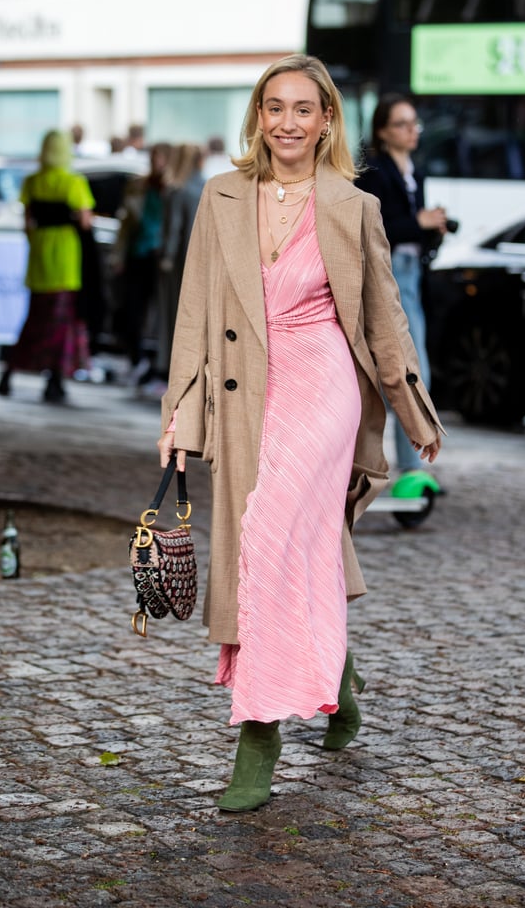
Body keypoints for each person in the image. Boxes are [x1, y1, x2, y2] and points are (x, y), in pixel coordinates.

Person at [157, 55, 443, 813]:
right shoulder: (220, 198)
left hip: (323, 387)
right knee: (296, 544)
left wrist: (413, 410)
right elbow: (192, 319)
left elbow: (384, 319)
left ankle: (258, 733)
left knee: (272, 538)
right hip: (245, 388)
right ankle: (336, 681)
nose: (288, 122)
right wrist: (181, 418)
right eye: (274, 107)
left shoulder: (353, 206)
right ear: (258, 117)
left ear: (325, 122)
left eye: (303, 109)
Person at [355, 93, 447, 474]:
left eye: (415, 124)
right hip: (387, 273)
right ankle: (411, 471)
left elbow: (411, 231)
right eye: (402, 124)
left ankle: (411, 470)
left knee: (410, 370)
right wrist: (419, 223)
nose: (412, 131)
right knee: (409, 371)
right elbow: (375, 229)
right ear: (382, 131)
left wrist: (433, 229)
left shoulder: (414, 172)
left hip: (411, 272)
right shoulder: (375, 172)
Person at [0, 130, 94, 403]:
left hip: (38, 260)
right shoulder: (74, 183)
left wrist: (38, 241)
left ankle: (9, 372)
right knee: (61, 325)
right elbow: (86, 223)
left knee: (34, 321)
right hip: (65, 261)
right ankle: (55, 379)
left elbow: (27, 223)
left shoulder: (32, 182)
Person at [114, 142, 172, 385]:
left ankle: (157, 363)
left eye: (160, 158)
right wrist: (118, 255)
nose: (155, 163)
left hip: (160, 258)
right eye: (153, 158)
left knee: (161, 314)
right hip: (138, 254)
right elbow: (126, 225)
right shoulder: (139, 187)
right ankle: (138, 358)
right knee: (132, 310)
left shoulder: (173, 189)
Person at [155, 143, 206, 387]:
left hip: (178, 264)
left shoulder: (178, 190)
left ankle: (172, 367)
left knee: (173, 315)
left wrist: (166, 259)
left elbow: (173, 229)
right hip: (201, 263)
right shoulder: (207, 187)